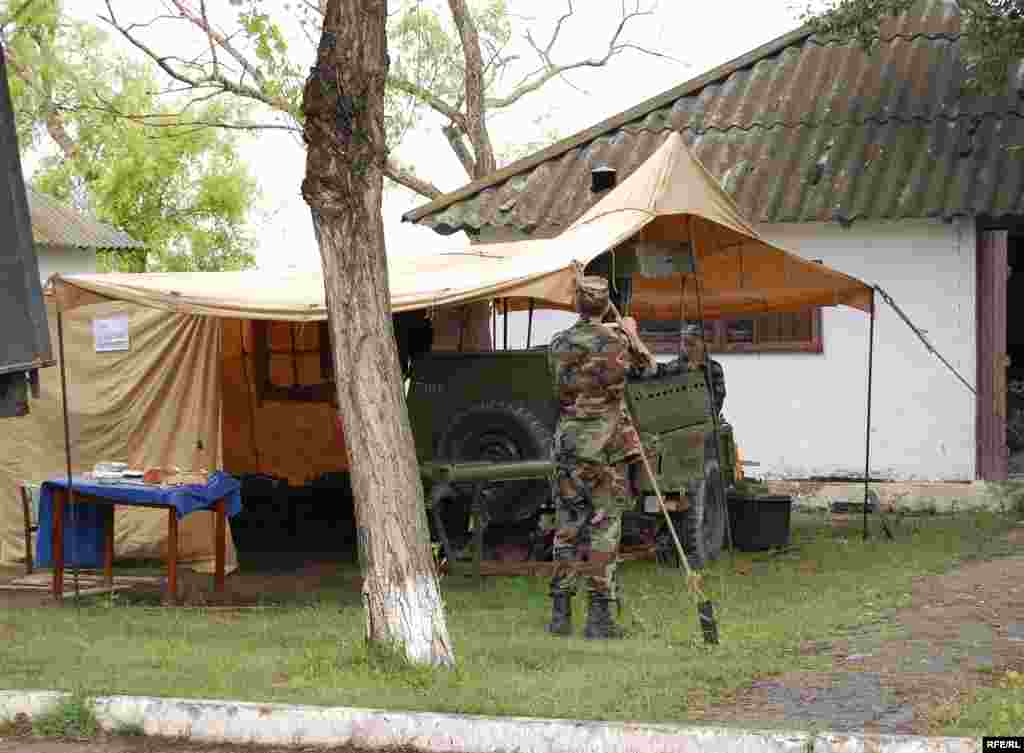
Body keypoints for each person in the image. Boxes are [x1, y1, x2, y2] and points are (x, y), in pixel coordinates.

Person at [546, 274, 657, 639]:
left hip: (567, 445)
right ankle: (599, 618)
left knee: (567, 527)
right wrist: (631, 332)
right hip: (604, 448)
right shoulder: (618, 340)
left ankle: (560, 615)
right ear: (605, 302)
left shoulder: (558, 342)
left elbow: (560, 387)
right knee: (603, 529)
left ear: (577, 304)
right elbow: (649, 368)